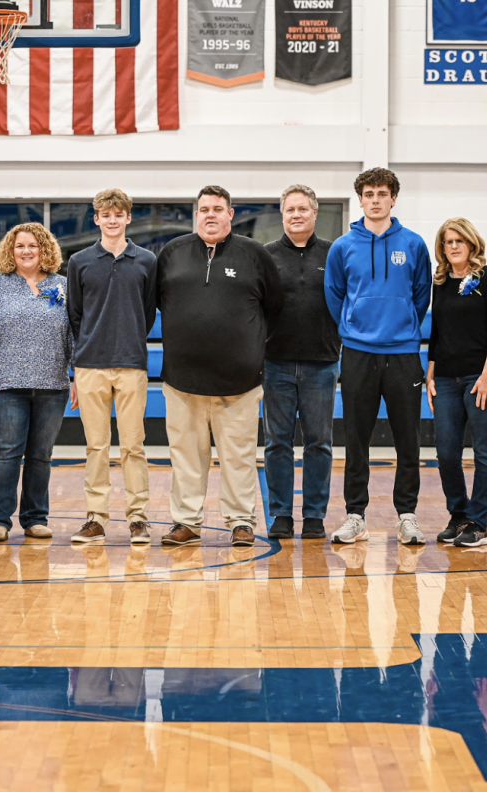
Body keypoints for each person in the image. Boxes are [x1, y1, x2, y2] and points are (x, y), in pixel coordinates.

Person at [156, 186, 283, 548]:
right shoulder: (172, 253)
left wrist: (248, 348)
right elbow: (158, 303)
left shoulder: (254, 254)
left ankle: (241, 521)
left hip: (239, 383)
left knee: (239, 458)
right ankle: (186, 522)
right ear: (196, 214)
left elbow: (274, 308)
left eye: (217, 209)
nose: (210, 215)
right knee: (185, 459)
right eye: (203, 209)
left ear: (231, 214)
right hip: (182, 381)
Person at [324, 168, 431, 545]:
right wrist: (357, 327)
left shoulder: (414, 244)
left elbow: (421, 295)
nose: (375, 199)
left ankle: (407, 515)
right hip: (358, 353)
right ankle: (356, 515)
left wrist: (399, 326)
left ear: (393, 199)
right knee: (356, 439)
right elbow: (335, 296)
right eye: (368, 194)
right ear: (360, 199)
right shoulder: (343, 247)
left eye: (382, 194)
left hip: (403, 354)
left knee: (408, 439)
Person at [0, 222, 74, 543]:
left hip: (53, 385)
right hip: (7, 385)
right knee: (7, 454)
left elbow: (75, 335)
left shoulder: (64, 286)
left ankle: (35, 518)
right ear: (9, 252)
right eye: (20, 246)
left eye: (33, 246)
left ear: (45, 250)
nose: (26, 251)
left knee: (41, 455)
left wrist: (77, 377)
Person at [66, 189, 158, 545]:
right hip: (90, 365)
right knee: (97, 446)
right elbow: (74, 316)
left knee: (134, 446)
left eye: (119, 214)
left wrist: (128, 337)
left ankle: (137, 518)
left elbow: (148, 312)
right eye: (106, 214)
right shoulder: (80, 261)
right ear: (97, 219)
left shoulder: (147, 260)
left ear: (128, 218)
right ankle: (96, 519)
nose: (112, 219)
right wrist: (81, 358)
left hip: (131, 364)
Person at [426, 218, 487, 549]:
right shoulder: (441, 281)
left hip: (485, 377)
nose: (454, 246)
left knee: (483, 451)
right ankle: (459, 515)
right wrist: (431, 371)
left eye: (460, 240)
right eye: (448, 242)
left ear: (472, 244)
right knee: (446, 451)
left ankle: (478, 523)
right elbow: (436, 332)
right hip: (446, 378)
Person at [262, 184, 338, 540]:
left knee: (319, 443)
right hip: (275, 363)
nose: (296, 215)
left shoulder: (334, 254)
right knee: (277, 443)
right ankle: (280, 514)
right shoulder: (266, 256)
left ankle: (314, 516)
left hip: (321, 364)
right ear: (282, 214)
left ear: (314, 213)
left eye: (303, 209)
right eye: (290, 209)